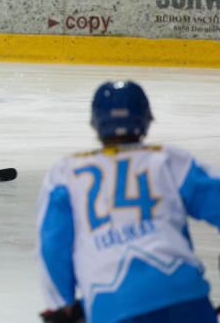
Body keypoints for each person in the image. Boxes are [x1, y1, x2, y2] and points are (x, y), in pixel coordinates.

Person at [36, 80, 220, 323]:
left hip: (113, 305)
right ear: (147, 119)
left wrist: (62, 305)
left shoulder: (65, 173)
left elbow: (52, 245)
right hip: (185, 297)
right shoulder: (170, 160)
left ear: (95, 123)